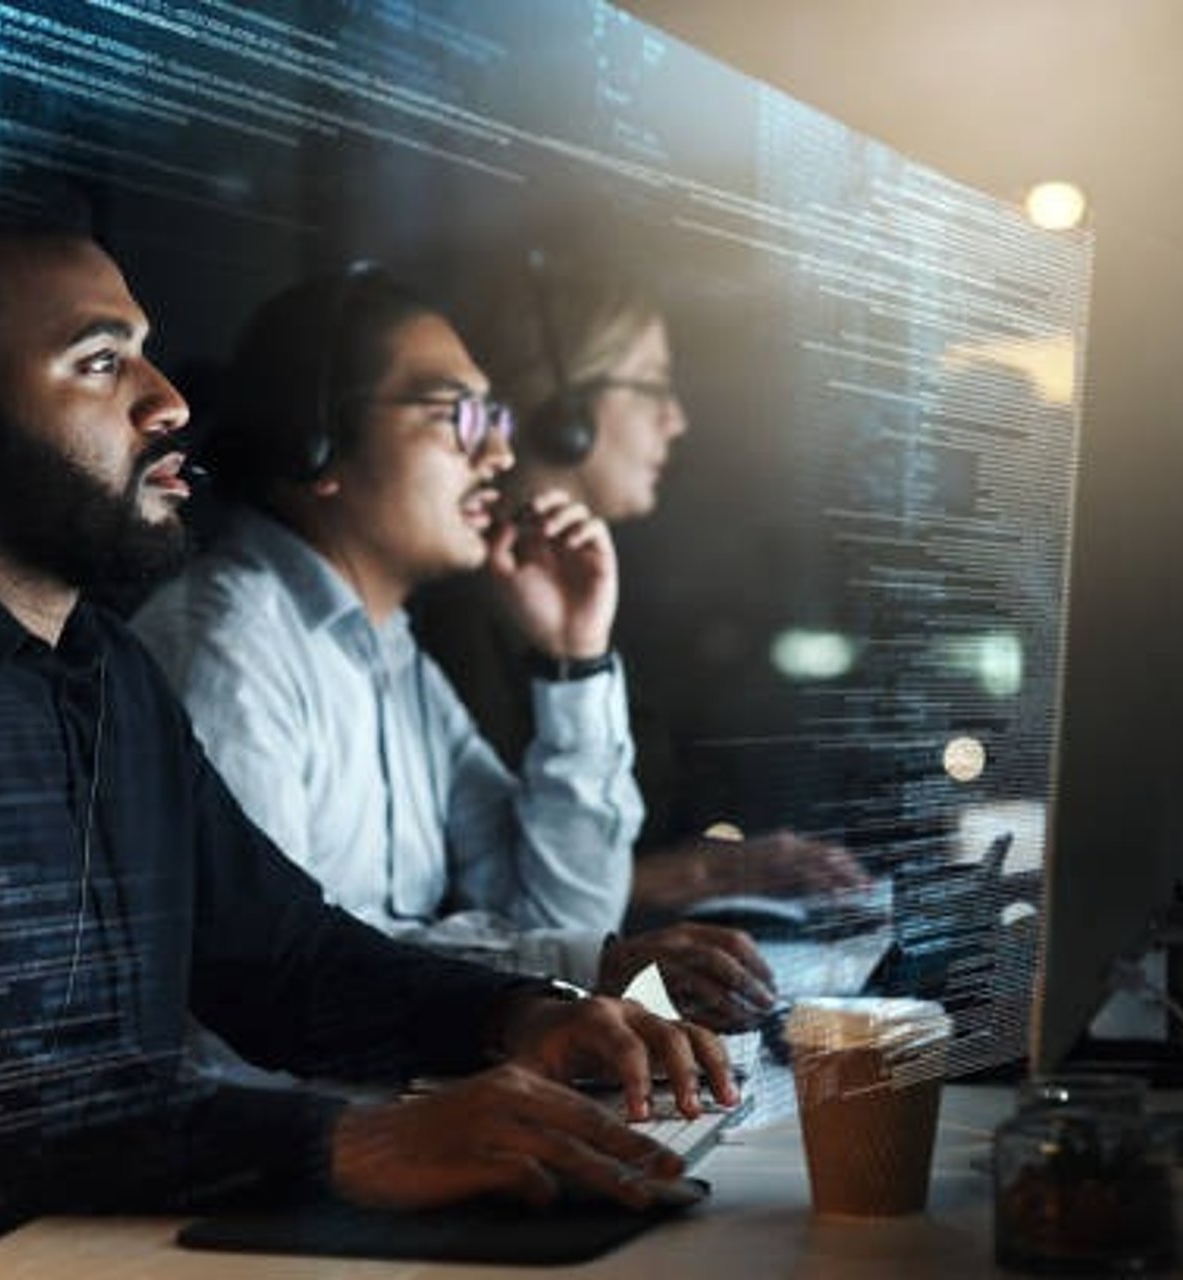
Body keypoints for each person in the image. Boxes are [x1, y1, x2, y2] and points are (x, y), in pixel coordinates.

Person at [0, 184, 737, 1278]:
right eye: (100, 362)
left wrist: (517, 1013)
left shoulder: (107, 675)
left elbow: (281, 956)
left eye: (143, 348)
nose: (168, 400)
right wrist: (338, 1147)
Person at [131, 266, 775, 1033]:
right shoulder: (229, 649)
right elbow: (272, 986)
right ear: (321, 444)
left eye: (497, 421)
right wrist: (588, 968)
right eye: (461, 418)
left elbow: (558, 908)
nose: (498, 457)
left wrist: (574, 661)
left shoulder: (392, 656)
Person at [411, 250, 870, 918]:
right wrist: (699, 875)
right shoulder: (463, 612)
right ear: (566, 408)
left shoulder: (580, 590)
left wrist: (720, 865)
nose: (675, 420)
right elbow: (479, 893)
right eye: (653, 386)